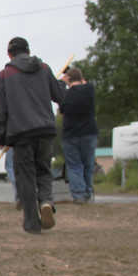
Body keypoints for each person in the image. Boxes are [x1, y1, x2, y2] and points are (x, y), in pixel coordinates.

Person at [0, 36, 65, 234]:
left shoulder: (4, 75)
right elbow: (60, 97)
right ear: (28, 50)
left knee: (25, 177)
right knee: (44, 170)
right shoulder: (44, 68)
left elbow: (0, 110)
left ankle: (32, 222)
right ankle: (46, 202)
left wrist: (2, 137)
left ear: (9, 54)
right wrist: (61, 85)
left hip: (21, 133)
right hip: (45, 129)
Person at [59, 67, 98, 203]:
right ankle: (88, 192)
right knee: (88, 164)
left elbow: (62, 111)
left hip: (71, 134)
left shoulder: (66, 94)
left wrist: (63, 82)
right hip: (89, 132)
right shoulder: (90, 89)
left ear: (69, 79)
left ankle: (78, 194)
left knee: (75, 165)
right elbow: (84, 82)